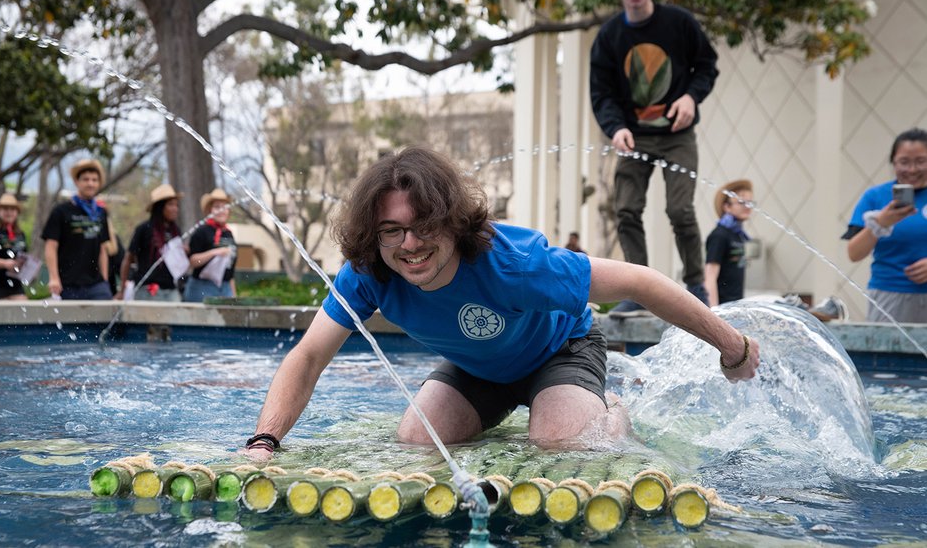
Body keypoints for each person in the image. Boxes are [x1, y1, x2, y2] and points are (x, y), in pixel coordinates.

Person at [243, 146, 760, 460]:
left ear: (450, 219)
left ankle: (607, 408)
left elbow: (641, 282)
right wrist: (263, 442)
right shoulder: (369, 274)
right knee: (419, 442)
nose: (409, 244)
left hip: (561, 349)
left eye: (423, 225)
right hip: (479, 365)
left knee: (562, 443)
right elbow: (308, 356)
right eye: (391, 231)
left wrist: (732, 347)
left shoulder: (511, 264)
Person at [589, 0, 719, 317]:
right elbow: (602, 94)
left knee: (680, 211)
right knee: (627, 210)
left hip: (677, 135)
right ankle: (639, 288)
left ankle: (695, 285)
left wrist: (691, 97)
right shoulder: (609, 37)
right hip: (634, 138)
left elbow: (706, 66)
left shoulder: (678, 22)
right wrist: (615, 127)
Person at [844, 128, 927, 323]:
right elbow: (853, 254)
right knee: (887, 352)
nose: (913, 169)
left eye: (921, 161)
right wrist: (879, 224)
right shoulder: (875, 197)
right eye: (904, 162)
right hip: (889, 295)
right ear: (893, 163)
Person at [40, 159, 112, 300]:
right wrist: (54, 278)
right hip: (67, 283)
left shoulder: (100, 212)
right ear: (77, 182)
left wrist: (105, 279)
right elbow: (50, 246)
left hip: (96, 285)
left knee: (106, 318)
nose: (90, 183)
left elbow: (103, 248)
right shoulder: (61, 211)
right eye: (85, 179)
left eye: (94, 180)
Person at [119, 184, 184, 302]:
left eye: (176, 205)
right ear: (160, 207)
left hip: (171, 289)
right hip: (148, 289)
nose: (175, 208)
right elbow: (128, 259)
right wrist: (122, 290)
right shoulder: (144, 229)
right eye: (170, 204)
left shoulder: (175, 231)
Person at [183, 188, 237, 302]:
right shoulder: (202, 232)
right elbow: (193, 262)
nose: (221, 210)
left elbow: (230, 270)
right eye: (217, 207)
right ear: (209, 210)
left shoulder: (229, 234)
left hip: (225, 287)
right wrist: (214, 252)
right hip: (202, 286)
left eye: (225, 207)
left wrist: (233, 294)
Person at [704, 180, 753, 307]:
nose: (747, 206)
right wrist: (714, 312)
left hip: (735, 305)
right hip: (722, 306)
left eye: (750, 203)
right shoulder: (719, 235)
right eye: (741, 202)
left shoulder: (738, 235)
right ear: (727, 207)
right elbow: (710, 276)